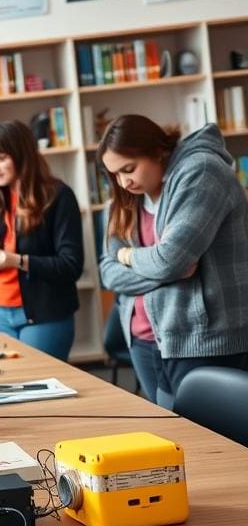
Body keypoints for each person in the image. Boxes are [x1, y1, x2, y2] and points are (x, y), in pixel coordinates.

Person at [98, 115, 248, 408]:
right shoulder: (125, 199)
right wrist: (165, 267)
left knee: (211, 443)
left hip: (201, 339)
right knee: (172, 439)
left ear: (158, 151)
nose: (123, 181)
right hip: (144, 337)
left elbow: (170, 260)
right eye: (114, 174)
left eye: (129, 169)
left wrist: (126, 256)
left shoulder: (201, 171)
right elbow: (109, 272)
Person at [0, 120, 83, 360]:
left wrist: (17, 261)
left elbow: (71, 264)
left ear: (22, 156)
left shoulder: (58, 196)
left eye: (0, 158)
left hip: (44, 316)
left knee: (41, 390)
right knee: (9, 392)